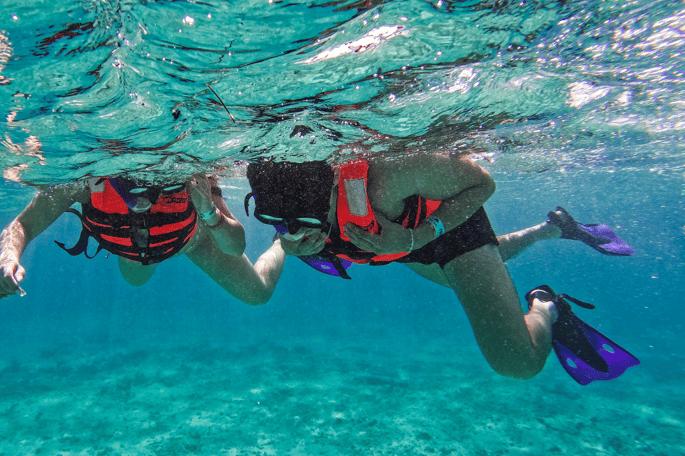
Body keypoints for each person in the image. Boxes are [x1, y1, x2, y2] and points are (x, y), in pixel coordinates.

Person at [245, 155, 636, 380]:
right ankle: (552, 228)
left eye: (303, 223)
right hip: (401, 245)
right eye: (278, 222)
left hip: (450, 229)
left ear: (327, 194)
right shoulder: (295, 206)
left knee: (516, 363)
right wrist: (293, 242)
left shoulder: (385, 180)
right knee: (485, 271)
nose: (291, 232)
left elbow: (482, 183)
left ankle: (546, 305)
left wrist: (417, 237)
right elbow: (293, 226)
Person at [0, 174, 285, 305]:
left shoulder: (189, 174)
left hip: (193, 240)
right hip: (132, 254)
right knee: (136, 279)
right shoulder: (84, 179)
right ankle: (142, 248)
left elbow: (236, 247)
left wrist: (209, 212)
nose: (142, 196)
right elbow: (21, 225)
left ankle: (281, 243)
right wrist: (8, 258)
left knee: (257, 294)